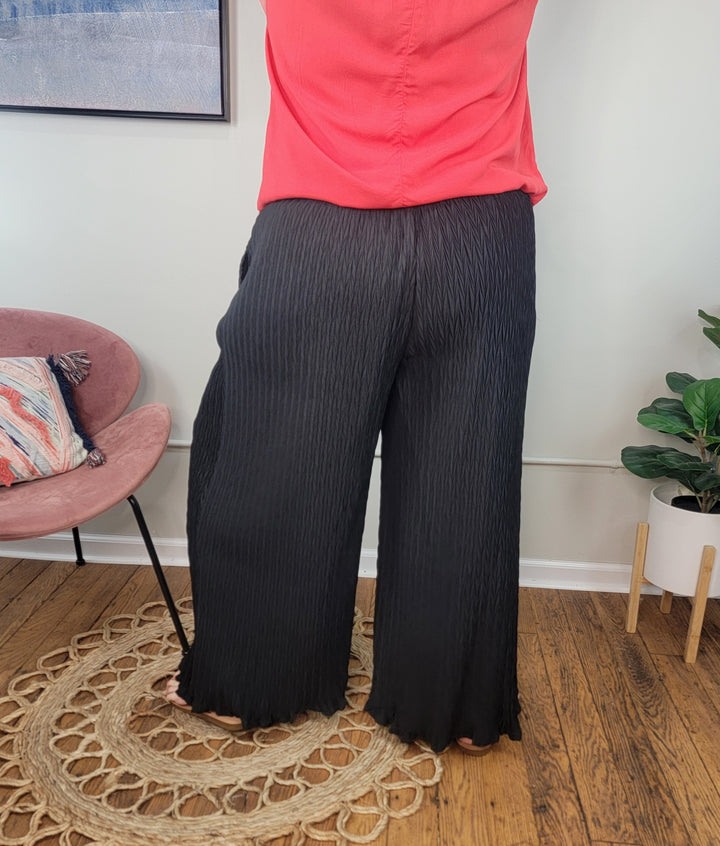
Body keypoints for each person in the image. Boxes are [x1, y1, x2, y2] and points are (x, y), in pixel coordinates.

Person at [166, 0, 546, 756]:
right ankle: (455, 704)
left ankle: (249, 684)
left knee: (274, 466)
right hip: (481, 235)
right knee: (464, 480)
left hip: (323, 230)